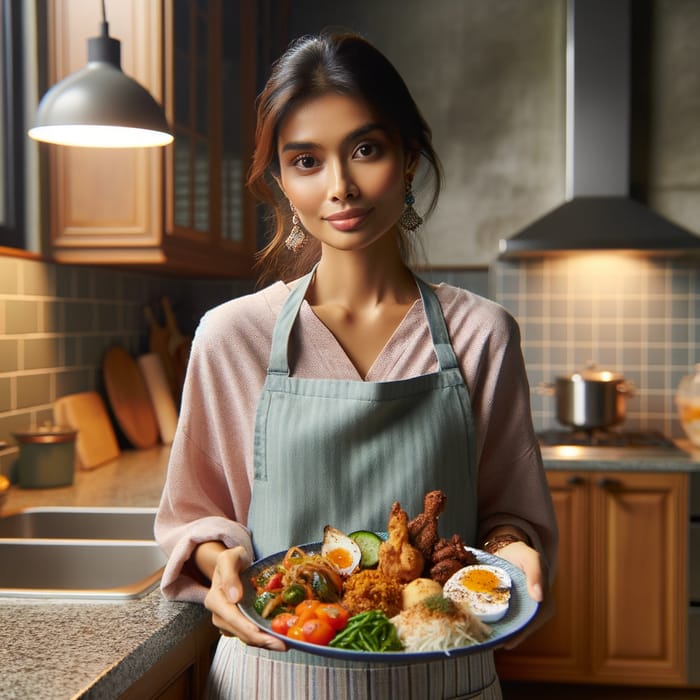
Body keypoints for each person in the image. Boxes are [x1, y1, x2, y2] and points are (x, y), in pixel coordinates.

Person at [155, 31, 558, 700]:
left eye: (365, 150)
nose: (340, 187)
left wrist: (515, 554)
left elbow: (508, 517)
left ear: (408, 156)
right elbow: (199, 514)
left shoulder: (483, 335)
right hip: (274, 678)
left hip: (443, 676)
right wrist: (217, 559)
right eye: (306, 160)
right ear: (281, 181)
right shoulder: (232, 337)